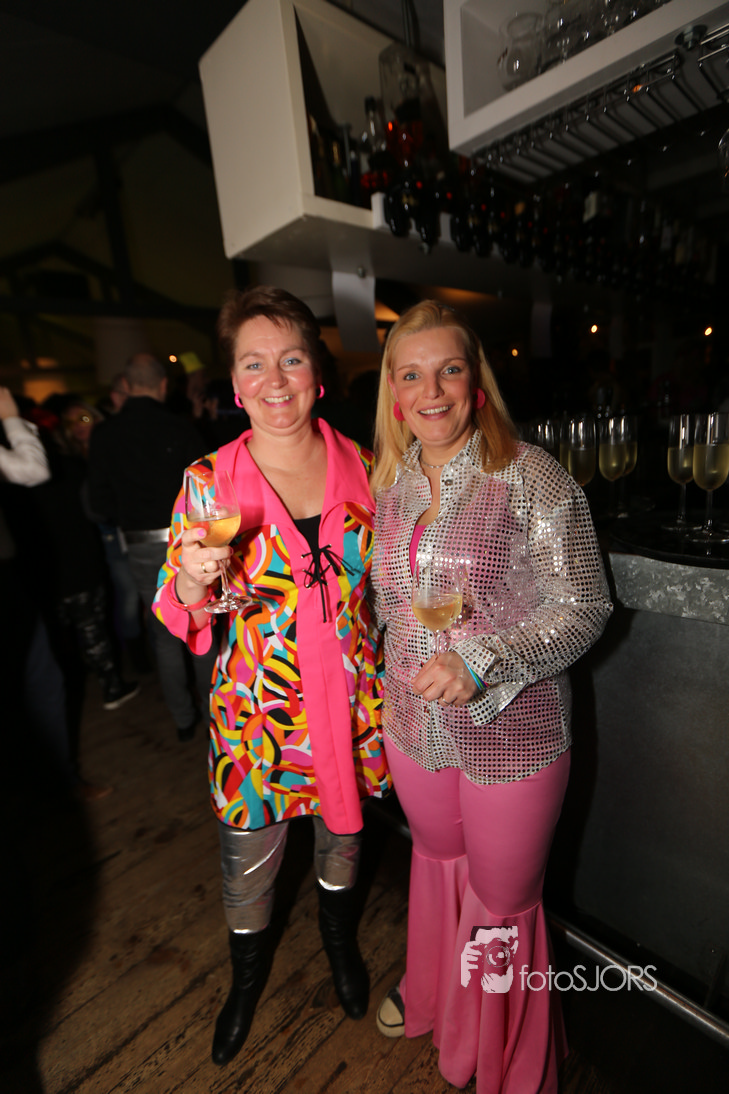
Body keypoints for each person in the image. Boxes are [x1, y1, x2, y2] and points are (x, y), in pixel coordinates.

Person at [369, 301, 612, 1094]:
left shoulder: (531, 475)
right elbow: (387, 603)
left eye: (448, 369)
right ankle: (441, 999)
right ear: (394, 393)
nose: (430, 390)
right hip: (413, 725)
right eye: (411, 375)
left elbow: (584, 606)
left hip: (514, 733)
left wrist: (481, 659)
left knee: (501, 904)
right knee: (437, 867)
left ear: (475, 382)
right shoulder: (390, 483)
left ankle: (503, 1053)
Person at [152, 286, 391, 1067]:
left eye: (291, 358)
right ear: (234, 382)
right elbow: (180, 608)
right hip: (257, 715)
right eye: (254, 363)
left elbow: (390, 590)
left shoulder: (367, 466)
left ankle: (340, 947)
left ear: (317, 372)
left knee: (343, 843)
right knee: (248, 864)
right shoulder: (208, 481)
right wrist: (192, 580)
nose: (275, 379)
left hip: (352, 708)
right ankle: (245, 983)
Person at [88, 353, 214, 740]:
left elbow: (99, 502)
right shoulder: (179, 427)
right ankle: (213, 717)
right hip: (188, 539)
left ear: (126, 386)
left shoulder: (105, 433)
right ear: (162, 385)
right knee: (200, 626)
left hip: (141, 543)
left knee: (163, 634)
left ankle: (182, 719)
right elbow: (206, 487)